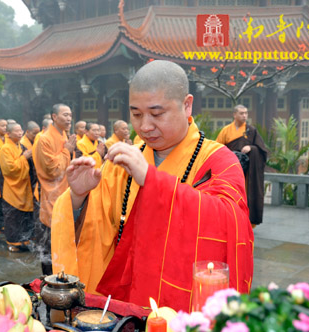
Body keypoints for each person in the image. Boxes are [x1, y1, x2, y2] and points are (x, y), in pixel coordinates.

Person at [51, 60, 254, 311]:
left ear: (186, 105)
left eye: (157, 114)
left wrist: (152, 180)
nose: (145, 126)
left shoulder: (219, 160)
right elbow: (91, 234)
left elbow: (230, 225)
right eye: (136, 114)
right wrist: (79, 197)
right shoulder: (121, 162)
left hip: (183, 306)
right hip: (124, 303)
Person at [32, 103, 76, 274]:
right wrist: (67, 151)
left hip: (65, 193)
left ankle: (62, 273)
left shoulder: (63, 135)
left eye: (70, 115)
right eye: (65, 114)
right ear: (54, 117)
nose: (69, 118)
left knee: (63, 241)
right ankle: (48, 278)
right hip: (51, 196)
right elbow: (53, 171)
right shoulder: (45, 139)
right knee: (49, 242)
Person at [216, 105, 268, 226]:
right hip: (230, 170)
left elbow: (262, 151)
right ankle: (230, 218)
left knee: (246, 194)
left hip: (248, 172)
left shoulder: (252, 131)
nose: (244, 116)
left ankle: (247, 220)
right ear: (234, 114)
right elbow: (218, 148)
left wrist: (252, 148)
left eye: (246, 113)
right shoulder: (226, 130)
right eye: (241, 113)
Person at [0, 123, 34, 252]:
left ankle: (24, 240)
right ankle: (13, 243)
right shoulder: (5, 149)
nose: (20, 133)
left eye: (21, 130)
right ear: (8, 134)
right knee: (13, 217)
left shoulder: (21, 146)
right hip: (12, 189)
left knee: (24, 217)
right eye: (17, 131)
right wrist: (24, 157)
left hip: (24, 187)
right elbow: (9, 169)